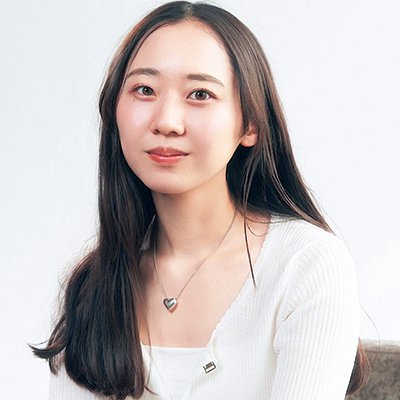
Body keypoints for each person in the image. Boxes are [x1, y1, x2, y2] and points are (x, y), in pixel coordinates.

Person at [32, 1, 369, 399]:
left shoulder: (306, 265)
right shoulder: (91, 287)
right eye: (144, 90)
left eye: (200, 94)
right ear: (114, 110)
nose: (166, 121)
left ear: (250, 124)